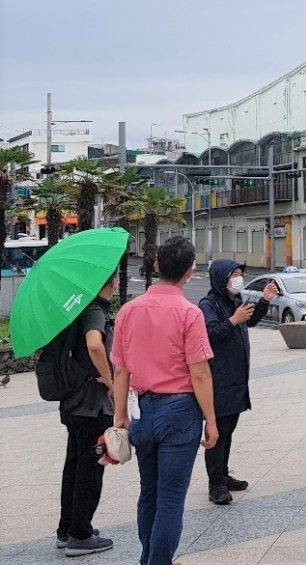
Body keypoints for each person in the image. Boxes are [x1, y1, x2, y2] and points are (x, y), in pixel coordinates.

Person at [112, 237, 218, 565]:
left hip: (142, 409)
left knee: (149, 493)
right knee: (171, 499)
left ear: (156, 267)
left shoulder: (128, 311)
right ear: (189, 272)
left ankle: (151, 559)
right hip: (180, 410)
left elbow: (121, 371)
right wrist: (211, 422)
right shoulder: (189, 313)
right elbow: (199, 374)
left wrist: (119, 416)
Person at [198, 260, 278, 505]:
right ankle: (216, 484)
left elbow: (250, 320)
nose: (238, 279)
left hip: (236, 377)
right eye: (234, 275)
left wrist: (264, 301)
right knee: (218, 434)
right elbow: (209, 336)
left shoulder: (235, 300)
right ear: (221, 277)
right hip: (219, 378)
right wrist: (233, 320)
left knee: (229, 430)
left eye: (240, 274)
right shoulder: (208, 304)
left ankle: (223, 473)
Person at [56, 269, 120, 556]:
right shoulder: (94, 309)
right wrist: (110, 380)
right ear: (111, 282)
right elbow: (95, 344)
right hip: (92, 406)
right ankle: (80, 536)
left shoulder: (78, 306)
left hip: (74, 403)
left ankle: (67, 529)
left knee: (74, 465)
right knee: (89, 470)